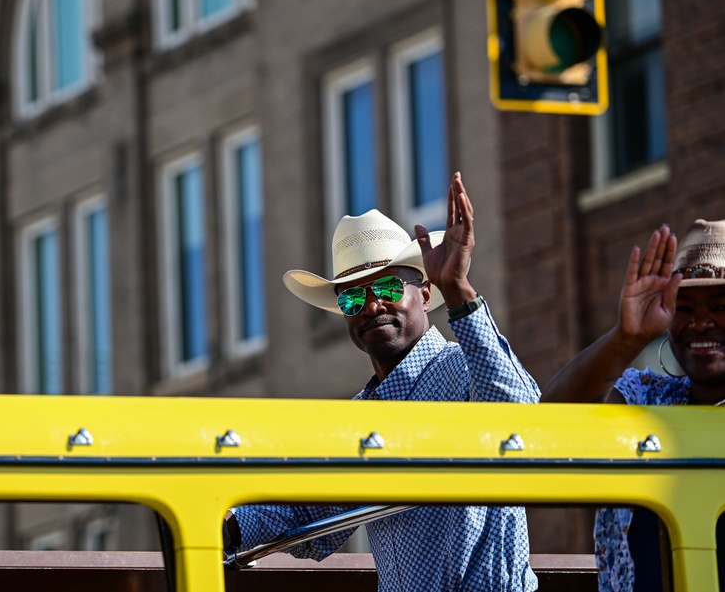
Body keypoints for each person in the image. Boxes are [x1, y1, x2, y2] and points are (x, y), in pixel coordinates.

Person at [224, 173, 541, 592]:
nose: (371, 305)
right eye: (352, 299)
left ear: (426, 295)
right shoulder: (359, 418)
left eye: (388, 286)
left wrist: (460, 290)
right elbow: (308, 511)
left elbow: (525, 419)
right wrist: (220, 524)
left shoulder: (464, 368)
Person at [541, 219, 725, 591]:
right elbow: (551, 421)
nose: (701, 323)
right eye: (684, 307)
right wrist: (626, 339)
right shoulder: (646, 401)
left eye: (720, 305)